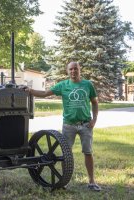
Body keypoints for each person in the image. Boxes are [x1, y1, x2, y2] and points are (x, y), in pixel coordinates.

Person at [25, 62, 101, 191]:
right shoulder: (63, 85)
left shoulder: (88, 84)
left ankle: (92, 181)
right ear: (67, 71)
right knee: (66, 154)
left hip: (85, 125)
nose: (73, 71)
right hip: (69, 125)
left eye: (75, 69)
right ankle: (65, 181)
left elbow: (94, 102)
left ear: (79, 69)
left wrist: (94, 120)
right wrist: (30, 91)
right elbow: (44, 94)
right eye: (70, 69)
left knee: (88, 152)